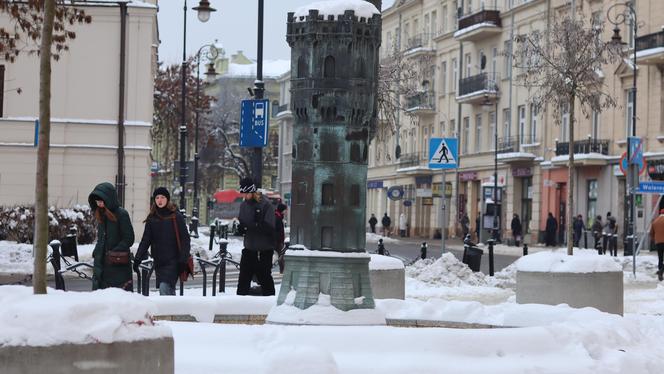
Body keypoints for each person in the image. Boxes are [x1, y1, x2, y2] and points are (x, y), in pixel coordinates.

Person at [134, 187, 191, 296]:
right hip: (159, 262)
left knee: (164, 287)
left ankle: (168, 312)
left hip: (174, 261)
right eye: (157, 198)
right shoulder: (151, 218)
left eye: (162, 197)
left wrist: (182, 260)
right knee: (168, 291)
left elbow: (185, 239)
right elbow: (146, 240)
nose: (160, 200)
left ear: (167, 199)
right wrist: (138, 258)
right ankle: (171, 312)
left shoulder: (176, 216)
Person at [88, 182, 135, 291]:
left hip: (118, 264)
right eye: (97, 201)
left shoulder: (121, 214)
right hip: (102, 264)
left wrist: (115, 252)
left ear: (108, 198)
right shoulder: (101, 214)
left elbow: (129, 238)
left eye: (101, 200)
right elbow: (101, 238)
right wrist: (97, 251)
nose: (99, 203)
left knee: (118, 298)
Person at [236, 177, 276, 296]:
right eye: (243, 194)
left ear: (252, 192)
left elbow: (270, 227)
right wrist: (242, 228)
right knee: (243, 278)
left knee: (264, 277)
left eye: (247, 194)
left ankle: (269, 302)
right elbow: (242, 222)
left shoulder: (265, 204)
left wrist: (255, 226)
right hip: (249, 248)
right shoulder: (244, 205)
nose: (245, 196)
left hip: (264, 249)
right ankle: (239, 302)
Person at [649, 209, 664, 281]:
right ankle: (661, 271)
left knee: (660, 258)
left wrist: (654, 239)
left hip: (658, 242)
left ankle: (660, 269)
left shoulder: (655, 221)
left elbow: (651, 233)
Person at [274, 203, 288, 274]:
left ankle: (282, 270)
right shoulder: (277, 217)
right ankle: (283, 271)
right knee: (282, 255)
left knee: (281, 255)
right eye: (285, 210)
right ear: (282, 210)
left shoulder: (279, 216)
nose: (286, 211)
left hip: (278, 240)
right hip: (277, 241)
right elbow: (276, 230)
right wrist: (279, 240)